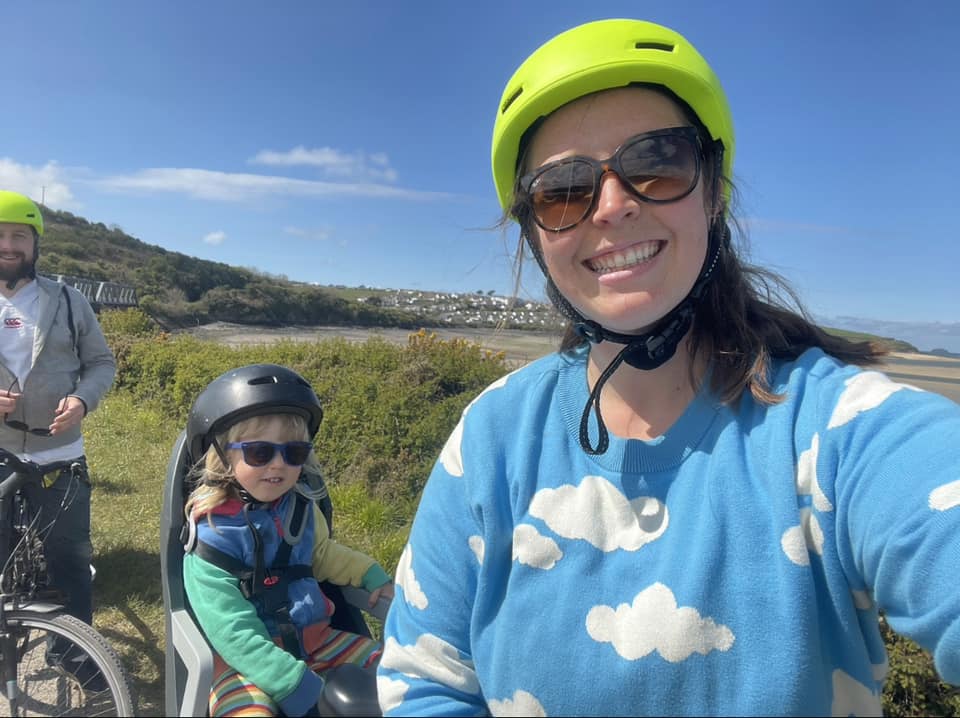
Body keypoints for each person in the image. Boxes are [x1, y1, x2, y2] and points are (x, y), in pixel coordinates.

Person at [377, 18, 960, 716]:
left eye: (658, 161)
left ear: (712, 192)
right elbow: (426, 682)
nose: (614, 205)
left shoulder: (837, 432)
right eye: (563, 190)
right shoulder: (494, 435)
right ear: (537, 233)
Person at [182, 363, 395, 717]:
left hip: (317, 642)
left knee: (406, 675)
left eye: (294, 453)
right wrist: (296, 685)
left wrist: (371, 575)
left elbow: (324, 554)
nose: (279, 464)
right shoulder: (211, 536)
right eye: (260, 453)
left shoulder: (301, 511)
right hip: (245, 665)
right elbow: (231, 632)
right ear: (222, 456)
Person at [0, 190, 116, 673]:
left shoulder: (69, 302)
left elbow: (101, 363)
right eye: (0, 236)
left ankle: (74, 656)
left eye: (19, 236)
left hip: (59, 452)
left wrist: (83, 399)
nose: (8, 245)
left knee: (70, 560)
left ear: (35, 244)